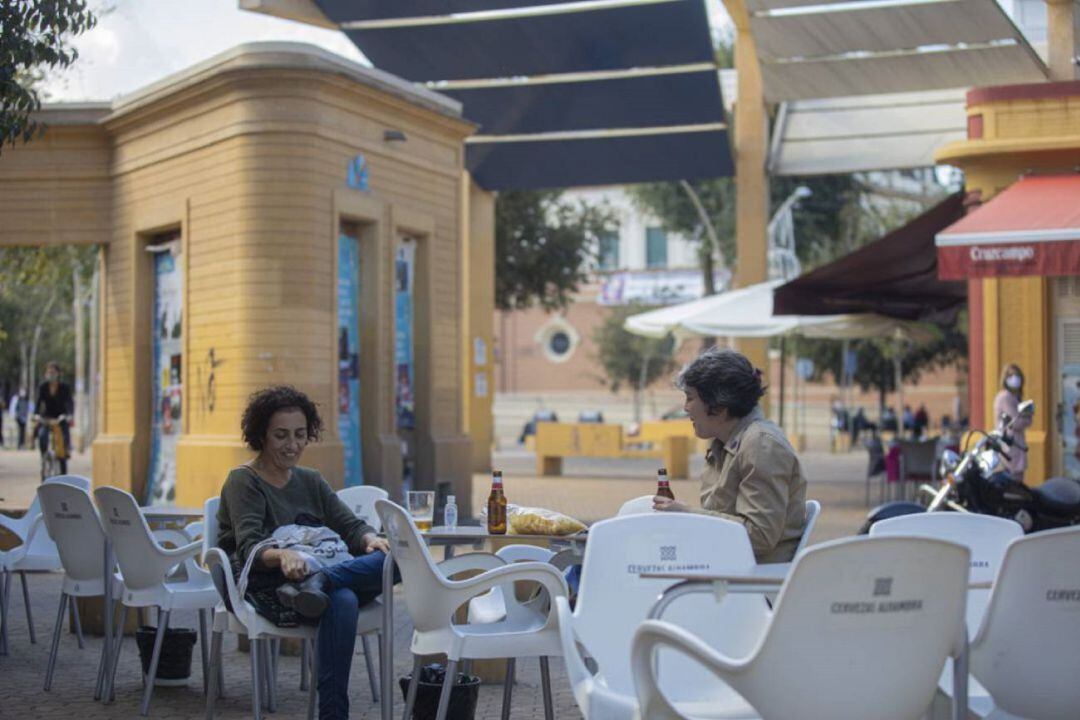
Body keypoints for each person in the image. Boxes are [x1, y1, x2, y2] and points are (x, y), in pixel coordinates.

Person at [217, 386, 395, 720]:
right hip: (273, 585)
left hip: (316, 578)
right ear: (262, 436)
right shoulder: (244, 481)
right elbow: (249, 545)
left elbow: (350, 526)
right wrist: (282, 556)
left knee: (396, 558)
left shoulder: (310, 479)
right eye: (281, 435)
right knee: (342, 599)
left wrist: (370, 538)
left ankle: (323, 581)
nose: (293, 445)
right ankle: (332, 714)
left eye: (300, 434)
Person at [654, 348, 808, 563]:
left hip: (750, 581)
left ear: (718, 406)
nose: (686, 408)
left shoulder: (760, 444)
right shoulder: (724, 443)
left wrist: (687, 514)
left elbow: (759, 537)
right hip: (728, 569)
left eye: (690, 398)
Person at [993, 363, 1031, 483]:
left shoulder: (1016, 397)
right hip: (1009, 447)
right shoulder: (1005, 397)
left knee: (1017, 482)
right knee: (1013, 485)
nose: (1015, 378)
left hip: (1016, 446)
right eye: (1011, 375)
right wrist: (1027, 416)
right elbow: (1016, 422)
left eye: (1017, 375)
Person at [36, 362, 73, 475]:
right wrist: (36, 415)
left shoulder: (64, 387)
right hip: (47, 417)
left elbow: (70, 402)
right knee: (42, 435)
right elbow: (38, 402)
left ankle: (65, 456)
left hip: (60, 417)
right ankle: (43, 459)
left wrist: (69, 414)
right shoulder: (43, 387)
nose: (51, 374)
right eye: (49, 372)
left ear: (58, 373)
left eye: (53, 372)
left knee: (63, 439)